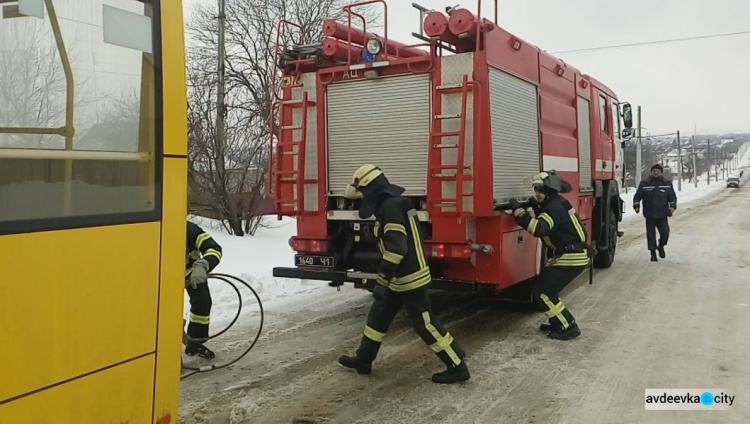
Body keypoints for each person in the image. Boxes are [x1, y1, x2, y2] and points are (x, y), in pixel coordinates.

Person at [338, 164, 470, 384]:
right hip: (399, 279)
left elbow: (397, 249)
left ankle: (457, 365)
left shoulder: (389, 208)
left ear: (370, 190)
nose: (360, 199)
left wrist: (383, 279)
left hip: (409, 278)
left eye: (362, 193)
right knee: (378, 316)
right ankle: (364, 359)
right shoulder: (394, 203)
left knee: (425, 324)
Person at [508, 171, 589, 340]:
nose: (536, 193)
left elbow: (538, 229)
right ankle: (557, 322)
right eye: (535, 190)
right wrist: (538, 209)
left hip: (571, 257)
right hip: (571, 254)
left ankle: (568, 326)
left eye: (539, 190)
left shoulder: (553, 208)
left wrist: (519, 213)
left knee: (543, 291)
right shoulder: (557, 203)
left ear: (549, 190)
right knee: (544, 288)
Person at [185, 221, 223, 358]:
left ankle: (195, 342)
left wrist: (203, 266)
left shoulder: (190, 230)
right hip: (160, 277)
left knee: (202, 302)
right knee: (165, 313)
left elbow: (214, 249)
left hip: (190, 273)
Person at [633, 164, 677, 262]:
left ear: (661, 172)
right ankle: (652, 253)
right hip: (649, 213)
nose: (656, 173)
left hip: (662, 213)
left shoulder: (667, 183)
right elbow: (637, 196)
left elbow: (672, 197)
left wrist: (672, 207)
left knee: (665, 233)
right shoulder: (644, 183)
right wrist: (636, 205)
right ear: (651, 172)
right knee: (651, 235)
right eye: (654, 171)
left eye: (658, 171)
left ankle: (661, 245)